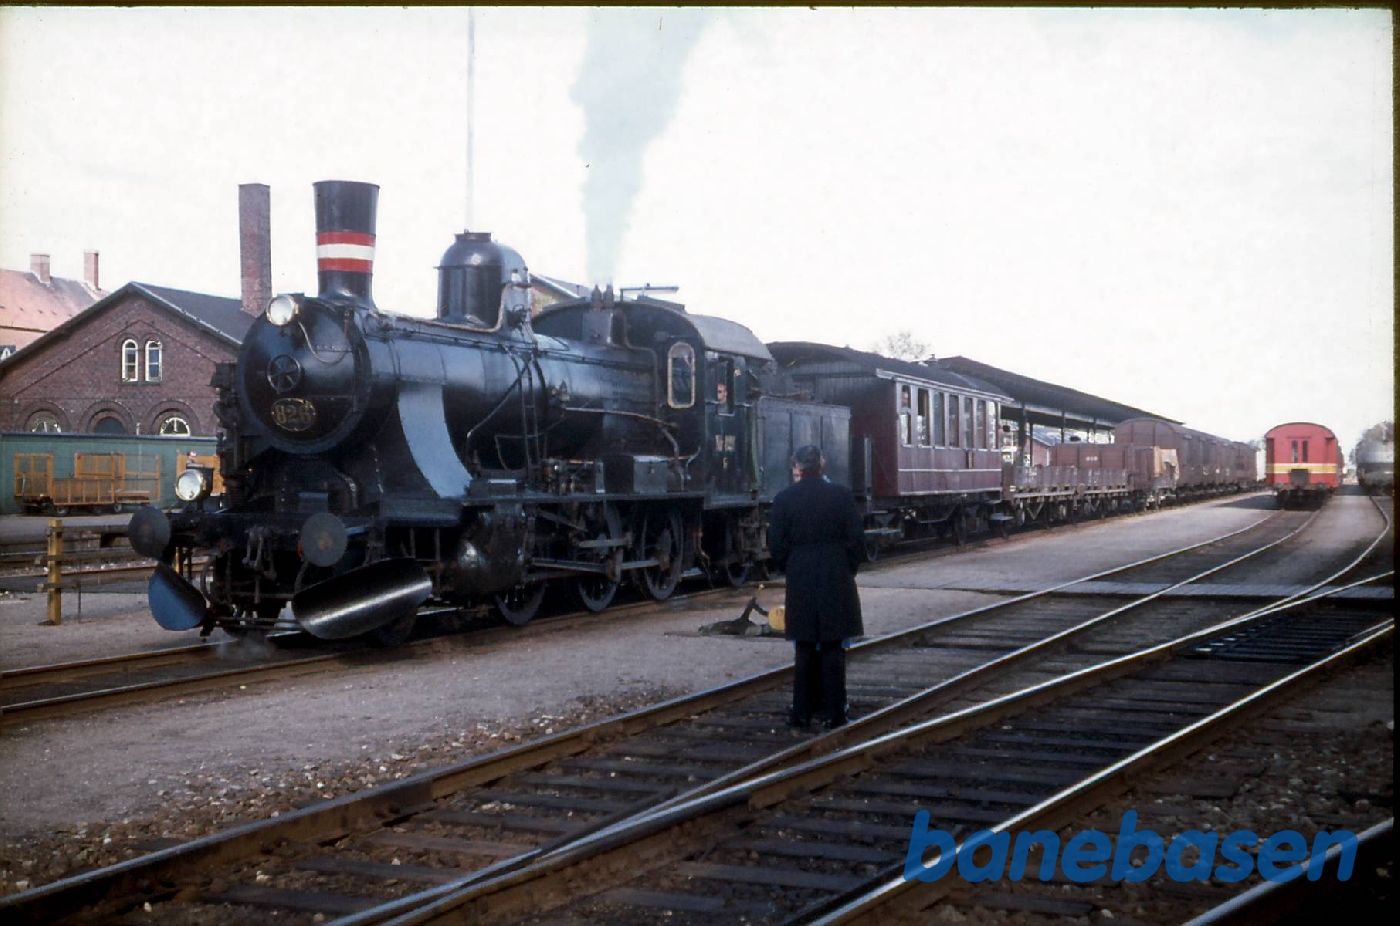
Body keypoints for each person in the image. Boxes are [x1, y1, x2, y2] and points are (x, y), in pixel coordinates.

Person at [767, 444, 866, 730]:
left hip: (801, 575)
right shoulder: (842, 495)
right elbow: (857, 542)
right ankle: (835, 713)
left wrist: (793, 566)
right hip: (836, 573)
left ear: (797, 466)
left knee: (805, 646)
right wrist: (848, 567)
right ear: (822, 463)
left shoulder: (784, 499)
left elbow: (776, 547)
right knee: (834, 646)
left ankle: (800, 713)